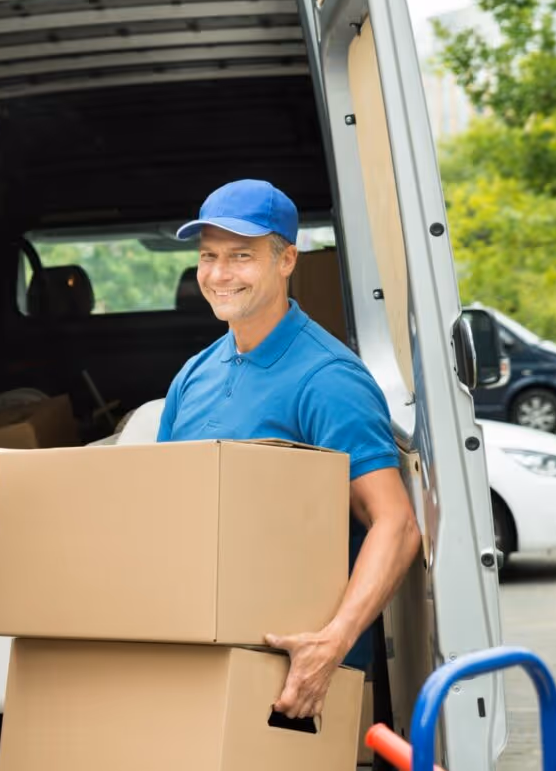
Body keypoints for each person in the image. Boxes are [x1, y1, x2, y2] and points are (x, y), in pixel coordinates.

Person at [157, 179, 422, 720]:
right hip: (198, 654)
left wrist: (332, 643)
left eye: (241, 256)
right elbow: (164, 509)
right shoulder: (195, 373)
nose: (219, 274)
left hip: (291, 675)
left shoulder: (328, 378)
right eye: (208, 256)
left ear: (286, 260)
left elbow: (396, 525)